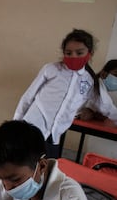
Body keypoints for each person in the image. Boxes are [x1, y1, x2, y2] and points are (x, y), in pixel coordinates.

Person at [13, 29, 114, 158]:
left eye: (79, 53)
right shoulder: (51, 69)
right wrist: (15, 124)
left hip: (54, 137)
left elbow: (106, 106)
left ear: (90, 53)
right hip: (31, 127)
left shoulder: (89, 81)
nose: (74, 57)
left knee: (47, 171)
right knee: (21, 165)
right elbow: (28, 97)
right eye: (68, 53)